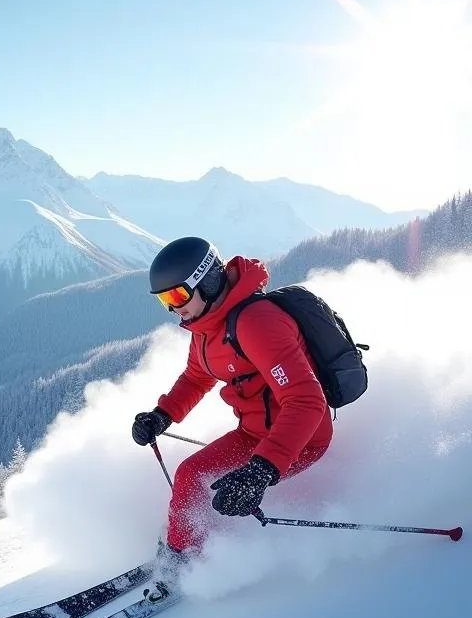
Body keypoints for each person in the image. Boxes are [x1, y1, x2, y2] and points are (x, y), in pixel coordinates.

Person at [132, 236, 333, 584]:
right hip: (253, 435)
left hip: (300, 440)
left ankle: (188, 562)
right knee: (190, 476)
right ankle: (183, 554)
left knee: (209, 486)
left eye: (177, 296)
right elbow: (197, 377)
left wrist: (261, 471)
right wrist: (162, 415)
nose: (171, 308)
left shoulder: (257, 323)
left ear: (206, 281)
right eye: (164, 299)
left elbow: (306, 400)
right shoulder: (206, 327)